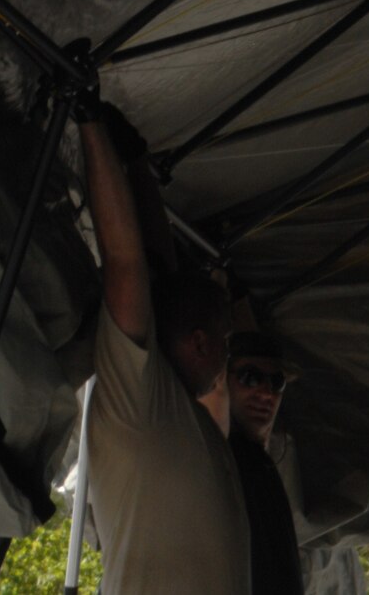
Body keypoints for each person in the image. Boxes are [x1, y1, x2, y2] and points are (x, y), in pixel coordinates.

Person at [80, 104, 251, 593]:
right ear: (200, 342)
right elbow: (125, 259)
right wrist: (87, 118)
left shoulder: (176, 411)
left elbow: (161, 272)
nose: (228, 357)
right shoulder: (139, 399)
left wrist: (136, 162)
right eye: (227, 340)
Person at [225, 332, 303, 595]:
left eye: (276, 382)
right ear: (222, 380)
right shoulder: (222, 460)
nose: (266, 392)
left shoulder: (261, 464)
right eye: (250, 377)